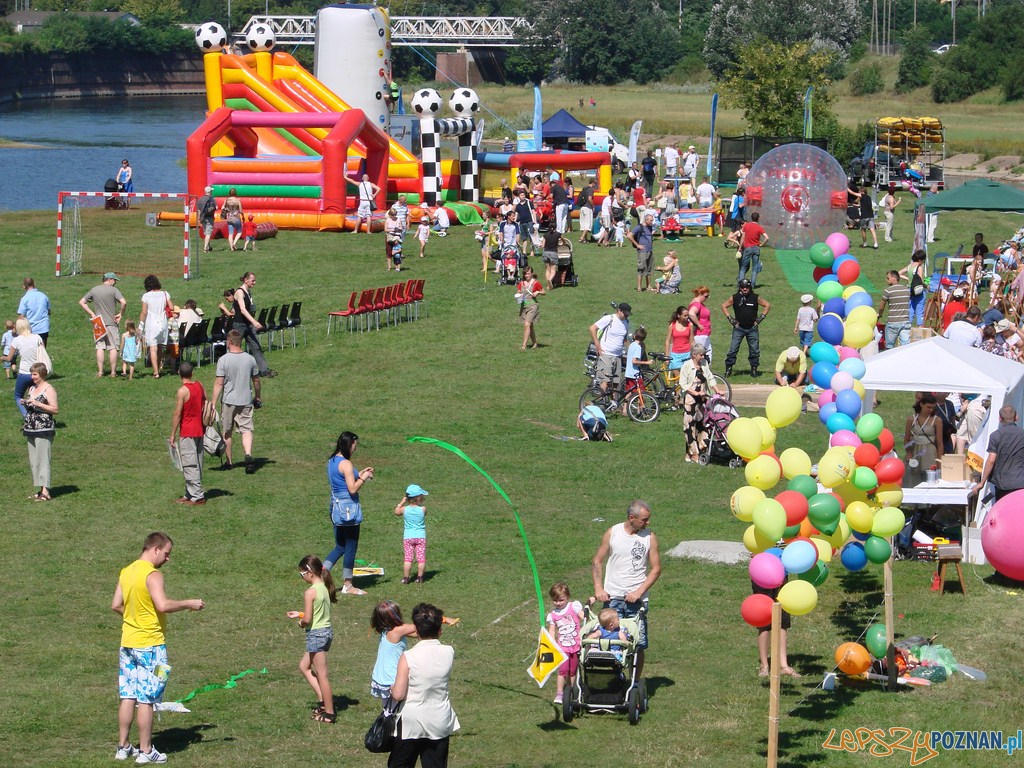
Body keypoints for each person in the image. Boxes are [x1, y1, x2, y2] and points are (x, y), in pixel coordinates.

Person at [112, 532, 204, 764]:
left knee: (128, 695)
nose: (167, 558)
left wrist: (134, 618)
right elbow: (162, 605)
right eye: (166, 553)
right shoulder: (153, 574)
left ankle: (123, 747)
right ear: (155, 549)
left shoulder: (126, 571)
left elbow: (116, 605)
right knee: (147, 698)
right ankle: (146, 750)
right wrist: (189, 603)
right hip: (151, 645)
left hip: (128, 643)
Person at [591, 500, 660, 678]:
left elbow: (656, 569)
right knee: (610, 640)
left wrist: (638, 592)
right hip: (612, 598)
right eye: (644, 519)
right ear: (631, 518)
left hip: (636, 601)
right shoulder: (613, 533)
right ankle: (615, 678)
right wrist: (598, 588)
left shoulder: (649, 537)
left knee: (638, 644)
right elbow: (597, 560)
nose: (648, 522)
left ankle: (634, 681)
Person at [388, 602, 460, 768]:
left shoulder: (408, 656)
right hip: (439, 719)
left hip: (411, 722)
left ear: (416, 630)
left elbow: (398, 694)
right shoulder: (449, 651)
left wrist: (392, 688)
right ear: (440, 631)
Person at [285, 555, 338, 723]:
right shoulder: (323, 587)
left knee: (322, 675)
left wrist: (301, 622)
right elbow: (316, 612)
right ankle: (323, 701)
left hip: (316, 634)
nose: (302, 577)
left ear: (309, 572)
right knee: (304, 666)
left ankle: (329, 712)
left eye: (302, 574)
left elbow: (308, 620)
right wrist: (299, 614)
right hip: (325, 632)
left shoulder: (310, 592)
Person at [325, 431, 373, 595]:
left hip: (336, 508)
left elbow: (344, 480)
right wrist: (364, 477)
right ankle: (348, 585)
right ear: (348, 444)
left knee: (340, 546)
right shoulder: (346, 463)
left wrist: (360, 473)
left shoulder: (332, 461)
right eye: (354, 446)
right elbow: (352, 489)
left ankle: (322, 572)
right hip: (348, 510)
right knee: (351, 546)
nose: (355, 449)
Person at [212, 329, 261, 474]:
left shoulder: (223, 360)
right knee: (246, 430)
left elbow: (219, 383)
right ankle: (248, 454)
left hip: (229, 401)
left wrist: (213, 402)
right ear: (240, 342)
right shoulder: (250, 359)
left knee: (227, 432)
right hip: (245, 400)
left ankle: (229, 462)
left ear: (229, 342)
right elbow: (256, 380)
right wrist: (258, 396)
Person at [169, 362, 207, 506]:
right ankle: (190, 493)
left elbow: (178, 414)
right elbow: (205, 403)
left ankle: (197, 496)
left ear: (179, 373)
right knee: (197, 461)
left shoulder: (182, 391)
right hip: (199, 430)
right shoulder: (199, 385)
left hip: (187, 431)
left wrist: (172, 434)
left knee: (189, 464)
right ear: (192, 373)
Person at [370, 600, 419, 704]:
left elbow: (418, 633)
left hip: (383, 676)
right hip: (392, 677)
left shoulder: (387, 630)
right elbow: (422, 624)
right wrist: (443, 619)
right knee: (396, 709)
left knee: (389, 708)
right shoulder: (397, 631)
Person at [80, 272, 127, 378]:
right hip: (111, 323)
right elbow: (124, 302)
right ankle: (113, 372)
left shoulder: (94, 290)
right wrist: (121, 314)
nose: (115, 282)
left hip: (98, 322)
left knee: (100, 347)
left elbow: (82, 302)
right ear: (109, 280)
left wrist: (92, 314)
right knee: (113, 347)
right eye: (114, 280)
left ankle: (100, 372)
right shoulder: (114, 290)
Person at [21, 362, 57, 501]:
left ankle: (46, 492)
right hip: (31, 428)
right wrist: (27, 403)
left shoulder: (49, 389)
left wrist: (38, 404)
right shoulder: (32, 388)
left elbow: (55, 409)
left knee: (43, 460)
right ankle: (40, 489)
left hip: (44, 429)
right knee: (34, 460)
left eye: (35, 374)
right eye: (32, 374)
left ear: (42, 374)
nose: (32, 377)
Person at [971, 406, 1024, 501]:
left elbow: (991, 460)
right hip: (1021, 481)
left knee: (1003, 509)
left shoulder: (995, 435)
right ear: (1016, 418)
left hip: (1003, 483)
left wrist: (982, 483)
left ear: (999, 419)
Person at [680, 343, 722, 462]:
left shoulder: (704, 364)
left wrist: (717, 390)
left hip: (703, 399)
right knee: (689, 426)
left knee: (703, 425)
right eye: (701, 355)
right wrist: (695, 393)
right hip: (691, 400)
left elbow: (710, 377)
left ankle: (701, 449)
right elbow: (683, 384)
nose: (703, 357)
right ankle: (693, 454)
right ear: (694, 355)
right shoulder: (686, 366)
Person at [722, 279, 770, 377]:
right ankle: (728, 368)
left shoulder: (755, 297)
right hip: (738, 328)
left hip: (752, 328)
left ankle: (754, 368)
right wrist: (730, 319)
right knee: (733, 349)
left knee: (754, 350)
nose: (745, 289)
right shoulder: (735, 297)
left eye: (747, 287)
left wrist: (761, 318)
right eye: (742, 287)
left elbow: (767, 305)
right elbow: (724, 306)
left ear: (750, 287)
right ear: (740, 288)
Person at [546, 582, 584, 705]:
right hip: (562, 648)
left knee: (572, 671)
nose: (558, 603)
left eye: (561, 600)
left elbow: (583, 617)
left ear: (567, 597)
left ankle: (570, 691)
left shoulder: (574, 606)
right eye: (555, 600)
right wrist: (552, 643)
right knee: (562, 671)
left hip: (576, 646)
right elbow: (552, 630)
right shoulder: (553, 615)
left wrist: (588, 612)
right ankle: (559, 693)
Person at [232, 272, 275, 378]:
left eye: (255, 280)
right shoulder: (239, 292)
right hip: (239, 325)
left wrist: (251, 322)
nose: (254, 282)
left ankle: (264, 370)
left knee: (256, 347)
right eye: (253, 280)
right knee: (235, 348)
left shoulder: (248, 292)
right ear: (245, 280)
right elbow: (242, 310)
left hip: (248, 325)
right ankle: (232, 372)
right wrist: (254, 322)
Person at [753, 582, 799, 677]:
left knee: (783, 619)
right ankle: (764, 666)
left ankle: (784, 666)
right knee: (764, 618)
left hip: (782, 575)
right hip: (763, 576)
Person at [589, 303, 631, 401]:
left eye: (628, 314)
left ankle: (613, 404)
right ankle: (597, 403)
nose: (626, 316)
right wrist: (597, 344)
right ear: (619, 311)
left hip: (618, 355)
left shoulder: (626, 322)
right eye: (625, 314)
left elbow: (624, 339)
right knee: (606, 380)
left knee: (616, 383)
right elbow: (592, 328)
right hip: (606, 354)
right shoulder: (609, 319)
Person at [3, 318, 43, 416]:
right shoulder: (37, 337)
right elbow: (42, 352)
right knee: (35, 396)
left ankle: (27, 416)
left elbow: (9, 358)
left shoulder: (16, 340)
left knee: (18, 396)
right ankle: (38, 416)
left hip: (24, 373)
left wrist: (2, 358)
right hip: (37, 373)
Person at [392, 483, 430, 584]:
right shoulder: (423, 509)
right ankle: (420, 577)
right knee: (421, 558)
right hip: (421, 537)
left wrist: (401, 502)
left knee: (408, 559)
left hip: (408, 537)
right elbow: (424, 514)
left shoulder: (404, 509)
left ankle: (405, 578)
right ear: (418, 498)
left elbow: (396, 512)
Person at [904, 393, 943, 486]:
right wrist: (908, 453)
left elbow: (939, 443)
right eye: (928, 407)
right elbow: (906, 439)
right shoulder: (911, 419)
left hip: (930, 452)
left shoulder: (937, 420)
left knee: (929, 478)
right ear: (921, 404)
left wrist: (939, 461)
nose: (931, 410)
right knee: (912, 478)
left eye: (933, 408)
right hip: (915, 450)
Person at [138, 275, 171, 378]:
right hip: (163, 322)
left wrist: (140, 326)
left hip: (152, 323)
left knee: (153, 348)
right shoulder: (165, 293)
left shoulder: (146, 296)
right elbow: (171, 306)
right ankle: (159, 369)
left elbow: (144, 312)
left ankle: (155, 372)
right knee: (160, 346)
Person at [878, 271, 911, 348]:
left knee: (889, 346)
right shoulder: (906, 290)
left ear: (894, 278)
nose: (886, 280)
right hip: (905, 322)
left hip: (893, 323)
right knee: (906, 347)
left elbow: (882, 306)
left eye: (888, 278)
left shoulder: (888, 291)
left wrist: (880, 314)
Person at [515, 265, 545, 351]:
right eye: (525, 274)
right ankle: (535, 344)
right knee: (530, 326)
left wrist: (538, 292)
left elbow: (544, 292)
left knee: (527, 324)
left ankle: (523, 346)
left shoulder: (536, 283)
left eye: (528, 274)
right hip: (524, 307)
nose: (526, 275)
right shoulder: (522, 283)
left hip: (533, 306)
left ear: (532, 273)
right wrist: (518, 295)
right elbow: (518, 291)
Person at [627, 212, 657, 293]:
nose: (652, 222)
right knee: (641, 269)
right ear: (646, 220)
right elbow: (629, 235)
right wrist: (637, 245)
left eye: (652, 220)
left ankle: (648, 286)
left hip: (650, 250)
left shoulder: (650, 227)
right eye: (650, 220)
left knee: (649, 269)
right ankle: (639, 287)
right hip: (642, 251)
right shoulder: (639, 227)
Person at [737, 212, 768, 287]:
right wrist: (762, 244)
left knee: (743, 267)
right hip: (756, 248)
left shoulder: (746, 226)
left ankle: (741, 284)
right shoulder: (759, 227)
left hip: (747, 248)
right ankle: (752, 285)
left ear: (751, 218)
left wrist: (740, 248)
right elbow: (767, 238)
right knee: (754, 268)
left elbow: (743, 237)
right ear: (758, 218)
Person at [17, 277, 50, 346]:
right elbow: (49, 312)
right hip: (43, 328)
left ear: (24, 286)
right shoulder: (44, 296)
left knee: (32, 350)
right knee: (42, 350)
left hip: (31, 329)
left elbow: (21, 316)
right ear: (34, 284)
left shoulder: (24, 299)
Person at [899, 250, 928, 326]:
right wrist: (926, 286)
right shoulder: (919, 267)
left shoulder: (909, 266)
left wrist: (908, 279)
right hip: (918, 290)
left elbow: (899, 273)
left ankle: (908, 327)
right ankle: (920, 326)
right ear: (920, 260)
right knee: (919, 310)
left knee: (911, 309)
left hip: (910, 290)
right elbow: (921, 280)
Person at [665, 304, 693, 373]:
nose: (687, 317)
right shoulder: (672, 326)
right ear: (679, 315)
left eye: (687, 315)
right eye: (685, 316)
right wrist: (667, 356)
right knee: (677, 375)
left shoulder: (690, 325)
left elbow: (692, 341)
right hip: (675, 354)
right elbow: (667, 341)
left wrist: (693, 353)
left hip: (687, 353)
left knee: (687, 375)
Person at [687, 286, 713, 359]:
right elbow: (691, 313)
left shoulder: (697, 303)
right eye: (706, 296)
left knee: (705, 357)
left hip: (703, 335)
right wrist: (699, 324)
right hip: (700, 335)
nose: (707, 298)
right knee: (702, 358)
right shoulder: (697, 303)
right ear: (700, 294)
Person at [196, 185, 217, 252]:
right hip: (209, 217)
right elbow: (215, 208)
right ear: (210, 192)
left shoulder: (200, 199)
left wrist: (199, 218)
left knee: (206, 232)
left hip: (202, 217)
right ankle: (205, 248)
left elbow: (198, 210)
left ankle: (209, 247)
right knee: (208, 234)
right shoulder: (212, 199)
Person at [577, 180, 596, 244]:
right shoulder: (590, 189)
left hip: (582, 207)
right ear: (593, 183)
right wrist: (593, 206)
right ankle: (581, 238)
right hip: (588, 208)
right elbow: (589, 199)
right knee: (588, 224)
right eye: (595, 183)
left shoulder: (585, 188)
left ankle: (585, 239)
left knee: (583, 224)